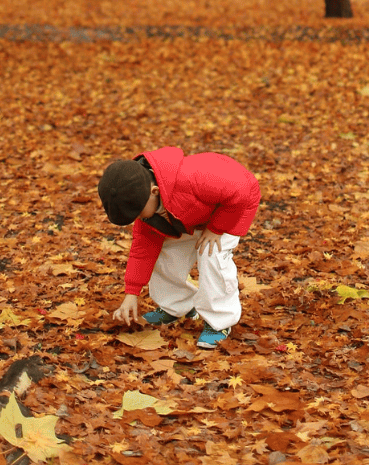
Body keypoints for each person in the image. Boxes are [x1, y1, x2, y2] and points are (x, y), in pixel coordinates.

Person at [98, 146, 261, 350]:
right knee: (164, 252)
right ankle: (176, 306)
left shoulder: (194, 178)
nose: (139, 219)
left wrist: (217, 229)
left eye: (139, 214)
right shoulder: (147, 205)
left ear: (154, 192)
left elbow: (242, 189)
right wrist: (131, 293)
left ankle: (220, 322)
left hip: (230, 209)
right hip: (187, 217)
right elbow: (142, 251)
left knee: (211, 255)